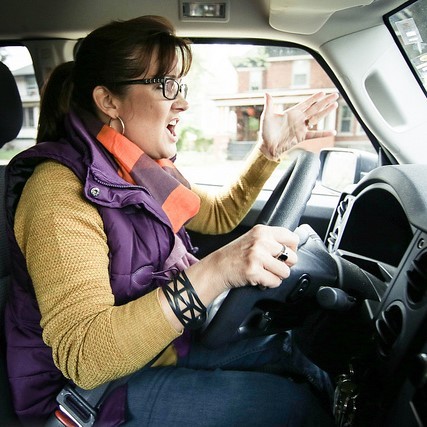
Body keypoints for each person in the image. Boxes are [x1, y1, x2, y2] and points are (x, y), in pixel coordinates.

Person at [4, 15, 338, 427]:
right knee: (293, 409)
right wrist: (217, 269)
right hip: (84, 395)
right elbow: (85, 358)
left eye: (181, 86)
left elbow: (218, 215)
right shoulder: (58, 192)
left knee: (293, 353)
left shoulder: (143, 171)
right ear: (109, 102)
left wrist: (269, 151)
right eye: (165, 86)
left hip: (158, 348)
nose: (182, 102)